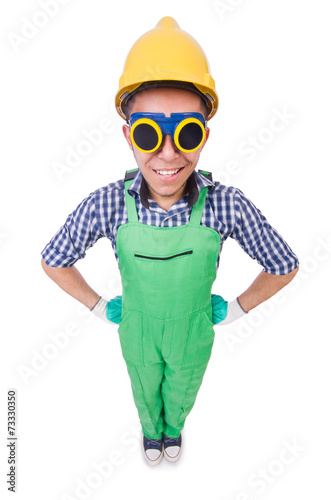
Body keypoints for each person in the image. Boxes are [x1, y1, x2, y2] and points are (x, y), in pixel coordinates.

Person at [41, 17, 299, 466]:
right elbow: (53, 259)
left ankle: (174, 426)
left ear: (203, 134)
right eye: (147, 132)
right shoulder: (108, 204)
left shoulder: (227, 206)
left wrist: (237, 308)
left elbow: (284, 264)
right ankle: (149, 431)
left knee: (182, 388)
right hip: (136, 331)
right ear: (128, 135)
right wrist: (99, 306)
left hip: (193, 334)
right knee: (144, 388)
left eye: (187, 132)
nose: (167, 152)